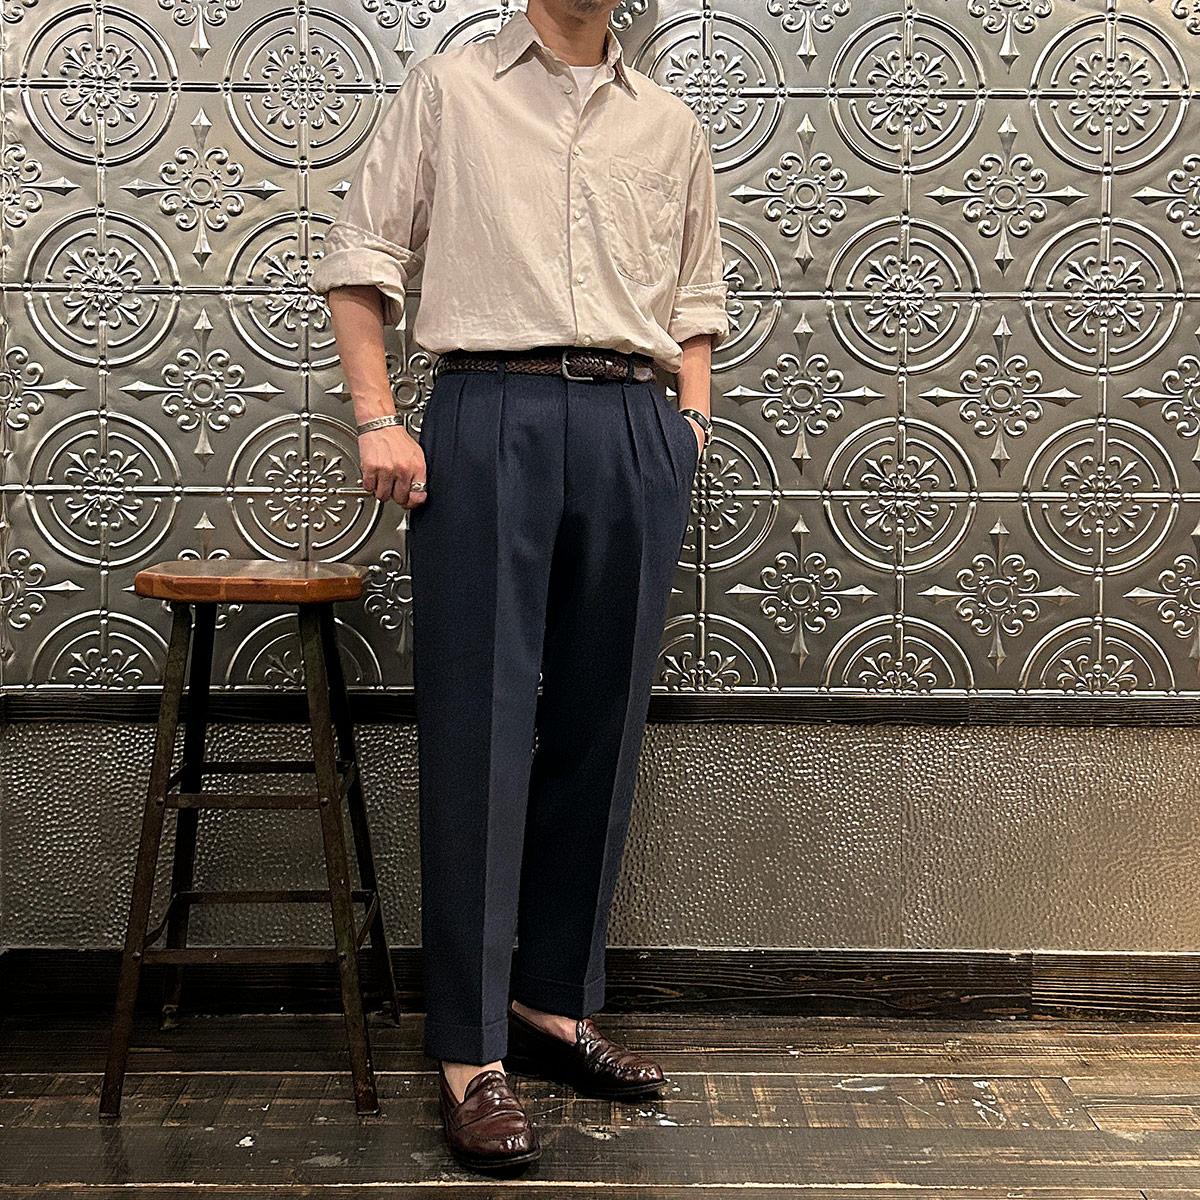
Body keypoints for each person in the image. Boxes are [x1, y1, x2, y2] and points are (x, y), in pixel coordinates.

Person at [311, 0, 728, 1174]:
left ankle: (550, 1004)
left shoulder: (671, 125)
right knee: (480, 730)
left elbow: (696, 297)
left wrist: (689, 427)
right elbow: (361, 258)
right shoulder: (451, 90)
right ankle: (468, 1052)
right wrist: (377, 417)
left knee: (601, 725)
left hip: (634, 425)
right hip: (488, 412)